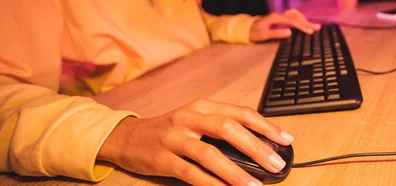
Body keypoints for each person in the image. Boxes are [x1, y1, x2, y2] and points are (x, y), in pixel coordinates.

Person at [0, 0, 320, 186]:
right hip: (128, 113)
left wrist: (241, 27)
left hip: (200, 80)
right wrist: (119, 135)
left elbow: (183, 25)